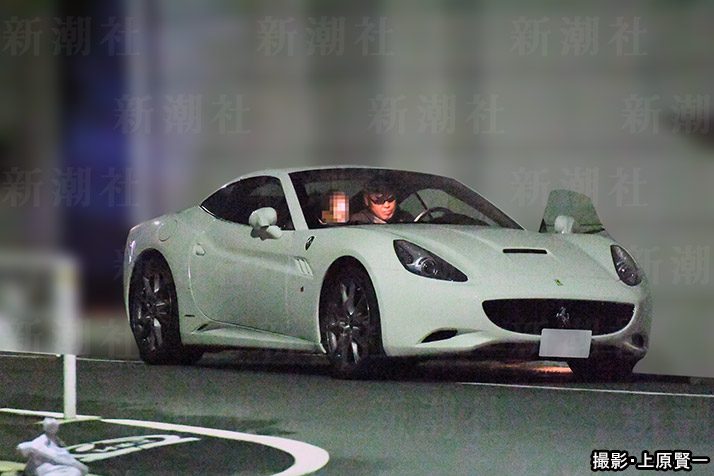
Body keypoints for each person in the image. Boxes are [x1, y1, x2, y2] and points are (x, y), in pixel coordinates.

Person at [16, 418, 89, 476]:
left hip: (64, 468)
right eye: (51, 427)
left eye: (54, 427)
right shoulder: (41, 441)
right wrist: (38, 453)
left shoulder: (58, 442)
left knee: (74, 471)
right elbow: (22, 447)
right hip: (48, 469)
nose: (53, 429)